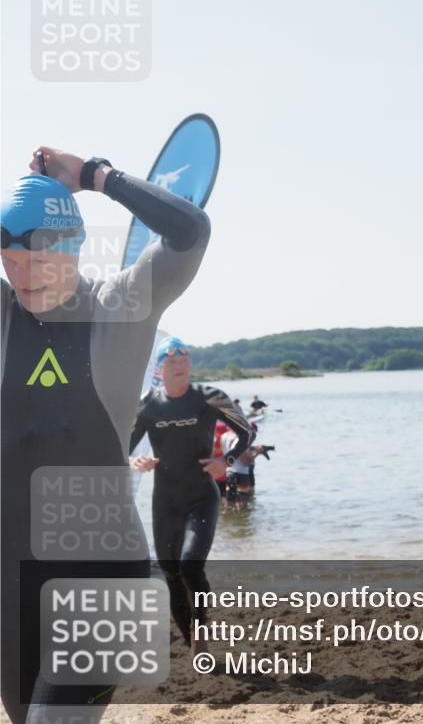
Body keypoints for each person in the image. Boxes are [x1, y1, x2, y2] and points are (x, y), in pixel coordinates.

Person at [1, 149, 210, 724]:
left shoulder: (121, 307)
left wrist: (95, 175)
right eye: (10, 262)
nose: (22, 277)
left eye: (37, 260)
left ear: (72, 245)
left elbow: (190, 231)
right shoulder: (5, 315)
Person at [129, 337, 254, 652]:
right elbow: (123, 448)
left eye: (184, 360)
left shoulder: (209, 397)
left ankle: (200, 627)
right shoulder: (147, 404)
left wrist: (225, 461)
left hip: (201, 497)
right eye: (172, 361)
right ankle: (191, 639)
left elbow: (246, 431)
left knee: (190, 566)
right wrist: (136, 461)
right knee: (171, 574)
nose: (180, 366)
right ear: (159, 369)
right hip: (165, 501)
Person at [222, 421, 262, 510]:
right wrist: (257, 453)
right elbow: (246, 462)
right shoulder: (241, 440)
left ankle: (228, 519)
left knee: (229, 504)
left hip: (229, 473)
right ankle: (243, 519)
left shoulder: (224, 436)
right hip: (241, 474)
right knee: (242, 506)